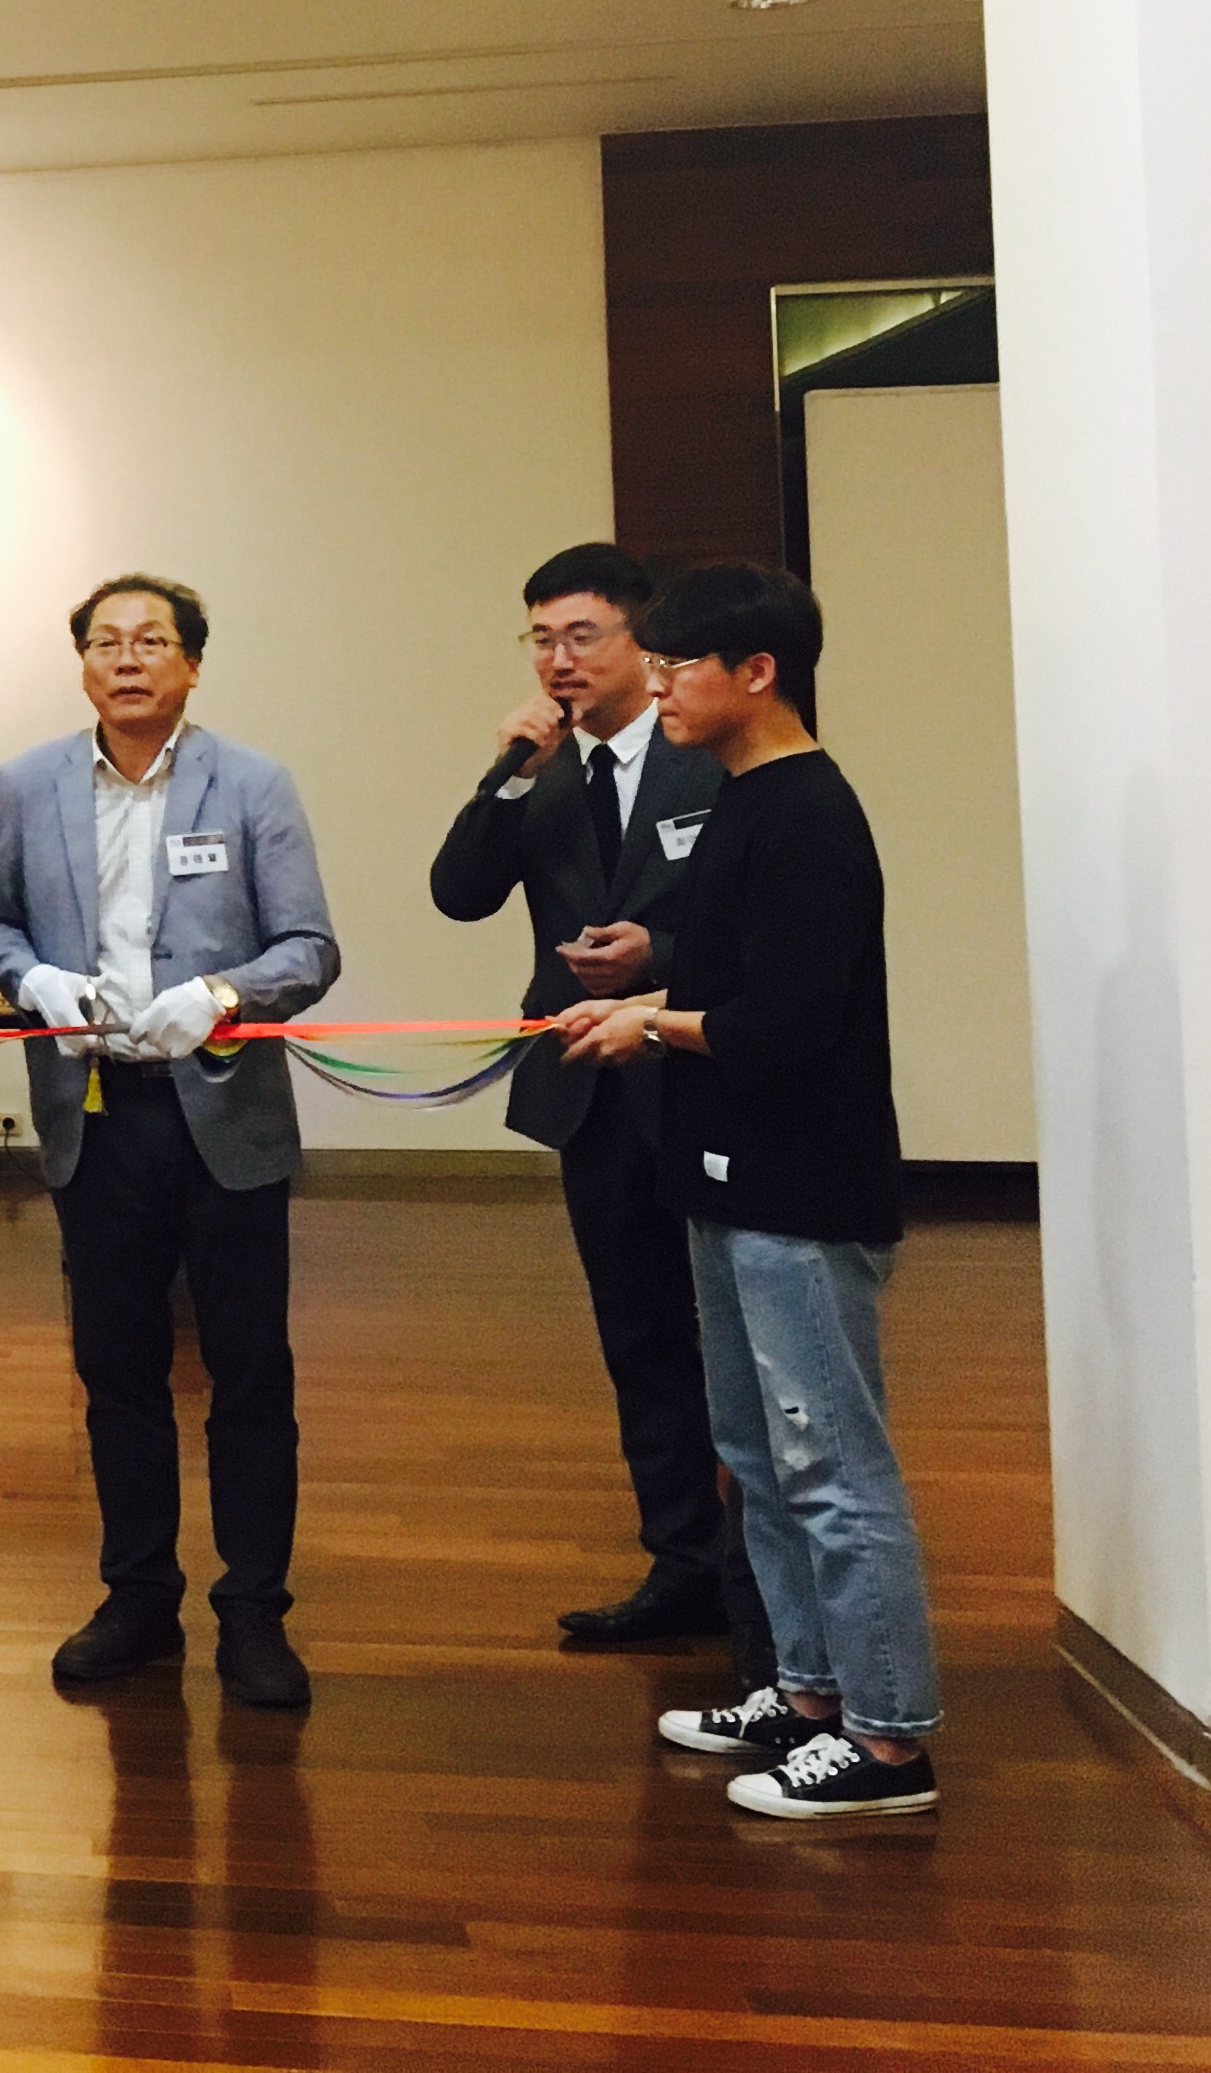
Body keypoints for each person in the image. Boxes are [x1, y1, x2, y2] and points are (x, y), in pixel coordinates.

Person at [554, 561, 942, 1818]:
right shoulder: (743, 799)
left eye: (680, 666)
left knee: (833, 1465)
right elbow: (735, 984)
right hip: (726, 1180)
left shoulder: (809, 814)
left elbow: (787, 1023)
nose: (659, 686)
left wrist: (653, 1026)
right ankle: (805, 1694)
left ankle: (889, 1744)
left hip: (801, 1189)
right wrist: (646, 1004)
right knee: (758, 1458)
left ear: (757, 673)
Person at [0, 574, 340, 1710]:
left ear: (192, 664)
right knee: (117, 1371)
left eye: (152, 641)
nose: (127, 660)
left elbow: (309, 948)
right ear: (81, 663)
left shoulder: (252, 780)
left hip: (223, 1112)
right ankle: (137, 1596)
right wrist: (30, 978)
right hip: (95, 1113)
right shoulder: (28, 782)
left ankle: (254, 1608)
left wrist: (223, 994)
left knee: (248, 1369)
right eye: (105, 642)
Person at [428, 544, 768, 1669]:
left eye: (582, 636)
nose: (559, 660)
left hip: (703, 1079)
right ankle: (681, 1564)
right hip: (593, 1093)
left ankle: (759, 1580)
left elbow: (764, 923)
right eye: (541, 639)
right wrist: (508, 774)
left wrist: (656, 953)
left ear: (640, 640)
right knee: (639, 1334)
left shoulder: (708, 754)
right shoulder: (545, 773)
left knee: (735, 1340)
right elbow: (459, 894)